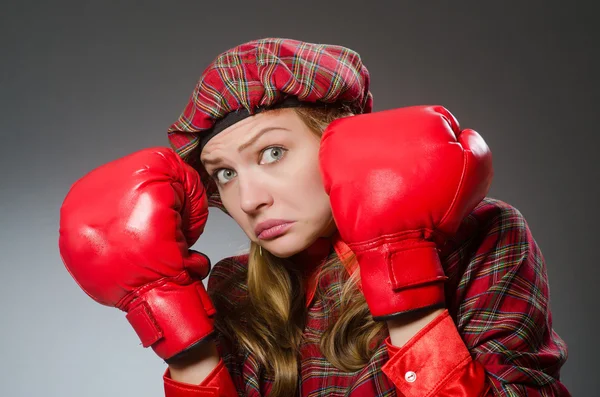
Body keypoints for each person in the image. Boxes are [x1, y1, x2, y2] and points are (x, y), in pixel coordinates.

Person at [58, 38, 570, 396]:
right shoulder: (235, 286)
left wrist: (403, 274)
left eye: (272, 153)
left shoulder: (482, 236)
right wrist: (185, 348)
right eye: (225, 175)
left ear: (339, 144)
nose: (250, 199)